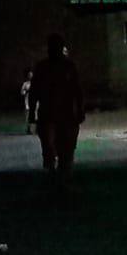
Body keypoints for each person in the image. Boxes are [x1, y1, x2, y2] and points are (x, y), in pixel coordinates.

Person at [27, 34, 85, 181]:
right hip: (53, 114)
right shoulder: (49, 67)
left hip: (62, 114)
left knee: (62, 147)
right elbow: (34, 92)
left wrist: (80, 109)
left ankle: (58, 174)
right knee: (53, 147)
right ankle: (57, 173)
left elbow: (77, 90)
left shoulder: (63, 67)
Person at [20, 68, 34, 134]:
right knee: (28, 116)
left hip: (34, 102)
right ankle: (29, 129)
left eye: (31, 75)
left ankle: (36, 129)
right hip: (27, 102)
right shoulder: (25, 84)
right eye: (29, 75)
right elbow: (22, 92)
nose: (30, 76)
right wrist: (26, 91)